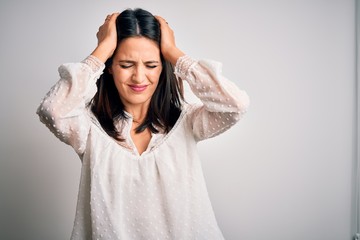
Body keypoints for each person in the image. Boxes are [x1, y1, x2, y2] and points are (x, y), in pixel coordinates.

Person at [37, 8, 249, 240]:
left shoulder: (187, 121)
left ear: (163, 66)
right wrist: (103, 49)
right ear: (109, 67)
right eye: (126, 65)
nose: (139, 77)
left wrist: (173, 52)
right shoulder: (89, 128)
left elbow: (235, 104)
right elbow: (52, 110)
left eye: (151, 65)